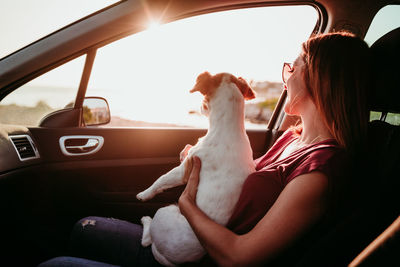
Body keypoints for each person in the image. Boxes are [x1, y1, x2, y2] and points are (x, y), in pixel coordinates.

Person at [39, 31, 371, 267]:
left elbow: (239, 257)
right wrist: (201, 162)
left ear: (322, 80)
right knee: (83, 228)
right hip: (196, 239)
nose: (285, 75)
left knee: (56, 263)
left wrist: (186, 202)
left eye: (293, 68)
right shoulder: (293, 138)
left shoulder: (319, 172)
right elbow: (239, 176)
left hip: (204, 257)